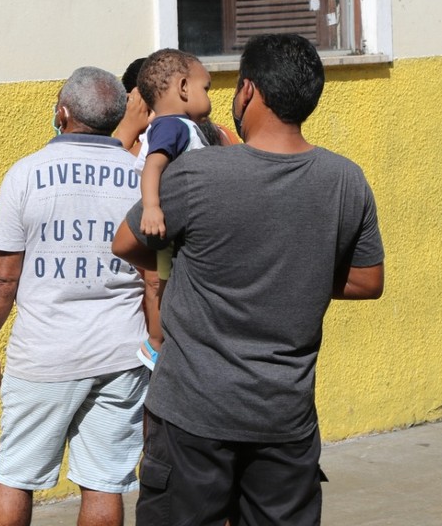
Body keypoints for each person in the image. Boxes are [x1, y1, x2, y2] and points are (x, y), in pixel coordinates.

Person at [113, 33, 385, 526]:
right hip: (285, 416)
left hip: (191, 413)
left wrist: (219, 266)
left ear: (248, 93)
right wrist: (291, 272)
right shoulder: (347, 180)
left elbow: (126, 243)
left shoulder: (197, 175)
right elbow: (368, 281)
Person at [0, 67, 147, 526]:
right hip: (122, 352)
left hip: (46, 356)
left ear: (62, 113)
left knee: (15, 474)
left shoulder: (26, 175)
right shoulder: (142, 178)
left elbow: (2, 279)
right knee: (105, 482)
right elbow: (156, 274)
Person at [132, 48, 214, 369]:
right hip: (173, 223)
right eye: (205, 88)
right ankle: (156, 343)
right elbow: (153, 165)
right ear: (182, 88)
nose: (209, 96)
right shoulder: (173, 126)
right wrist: (152, 207)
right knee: (162, 284)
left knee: (166, 282)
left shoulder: (181, 126)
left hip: (183, 222)